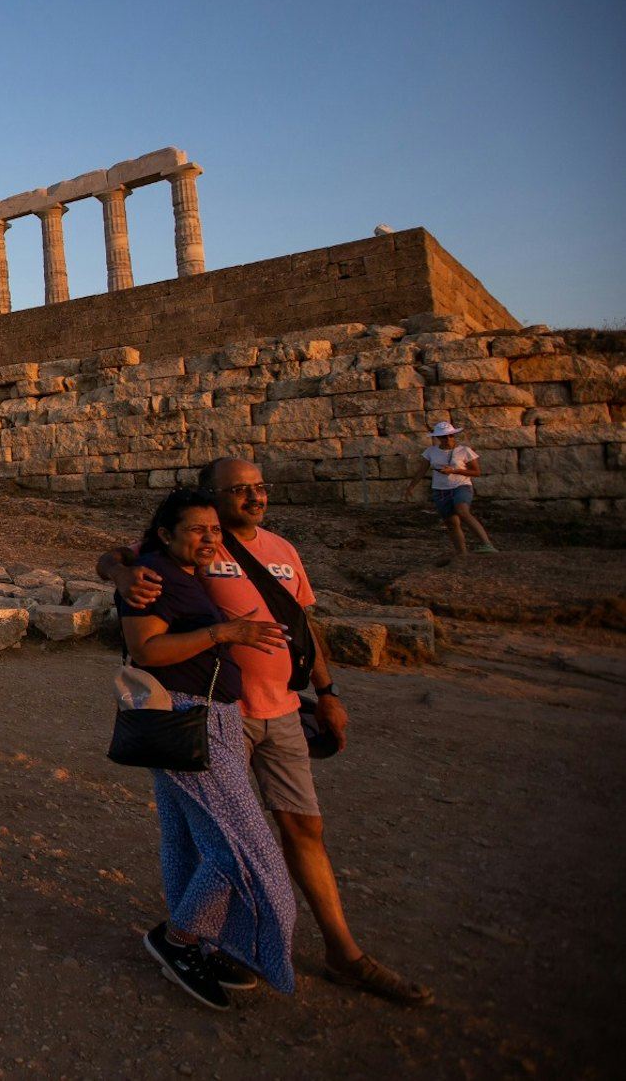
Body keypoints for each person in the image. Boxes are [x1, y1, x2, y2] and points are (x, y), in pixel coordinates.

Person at [99, 457, 433, 1006]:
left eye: (259, 488)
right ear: (213, 495)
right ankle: (187, 940)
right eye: (239, 490)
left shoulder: (279, 550)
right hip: (206, 714)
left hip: (278, 712)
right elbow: (117, 564)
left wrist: (328, 692)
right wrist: (118, 574)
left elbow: (303, 624)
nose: (253, 498)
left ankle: (341, 951)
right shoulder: (187, 548)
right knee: (221, 840)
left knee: (298, 830)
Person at [119, 488, 296, 1010]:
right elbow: (145, 648)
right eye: (198, 529)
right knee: (241, 848)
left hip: (193, 715)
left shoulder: (167, 570)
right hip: (189, 717)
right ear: (166, 533)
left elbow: (116, 559)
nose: (209, 538)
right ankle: (179, 939)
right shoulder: (152, 577)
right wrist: (227, 632)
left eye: (214, 530)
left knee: (186, 838)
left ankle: (198, 941)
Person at [404, 421, 497, 556]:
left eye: (450, 435)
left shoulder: (464, 451)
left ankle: (486, 544)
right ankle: (462, 553)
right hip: (440, 489)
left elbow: (476, 472)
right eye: (443, 436)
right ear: (438, 438)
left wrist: (454, 470)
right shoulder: (430, 452)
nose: (448, 439)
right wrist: (411, 487)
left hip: (461, 485)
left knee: (462, 510)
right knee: (451, 522)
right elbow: (421, 470)